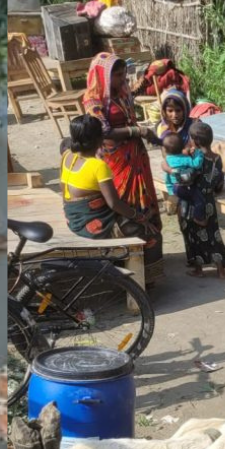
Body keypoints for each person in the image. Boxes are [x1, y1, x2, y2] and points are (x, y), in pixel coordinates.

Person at [82, 52, 165, 283]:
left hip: (137, 160)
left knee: (146, 204)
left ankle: (150, 267)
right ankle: (129, 274)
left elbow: (135, 92)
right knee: (126, 211)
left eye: (123, 74)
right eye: (116, 75)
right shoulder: (93, 100)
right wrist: (138, 131)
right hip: (115, 163)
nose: (121, 79)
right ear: (102, 75)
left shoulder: (122, 90)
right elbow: (104, 130)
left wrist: (149, 76)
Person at [60, 115, 153, 239]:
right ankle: (123, 258)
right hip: (90, 225)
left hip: (72, 218)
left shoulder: (66, 155)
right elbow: (114, 203)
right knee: (147, 231)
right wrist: (138, 216)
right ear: (100, 139)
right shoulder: (98, 166)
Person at [166, 121, 225, 279]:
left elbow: (186, 178)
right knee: (213, 235)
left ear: (195, 141)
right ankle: (221, 270)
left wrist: (169, 170)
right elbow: (218, 180)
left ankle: (199, 270)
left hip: (192, 202)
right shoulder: (217, 159)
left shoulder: (195, 160)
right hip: (209, 200)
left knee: (193, 236)